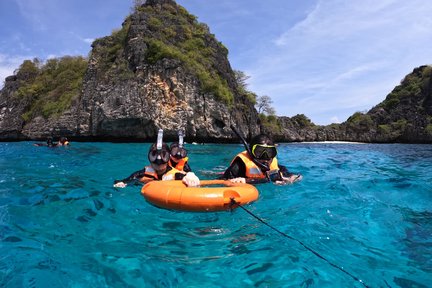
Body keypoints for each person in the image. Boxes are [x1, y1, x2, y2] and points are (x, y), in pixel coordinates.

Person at [113, 130, 200, 188]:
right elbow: (125, 180)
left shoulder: (175, 174)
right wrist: (121, 183)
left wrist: (190, 175)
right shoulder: (142, 174)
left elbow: (184, 175)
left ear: (168, 157)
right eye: (154, 155)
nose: (158, 161)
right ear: (149, 158)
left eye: (163, 156)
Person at [222, 134, 302, 185]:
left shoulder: (277, 167)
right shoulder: (239, 166)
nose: (265, 158)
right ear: (250, 153)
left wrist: (289, 180)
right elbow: (223, 181)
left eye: (269, 152)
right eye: (259, 152)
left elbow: (298, 176)